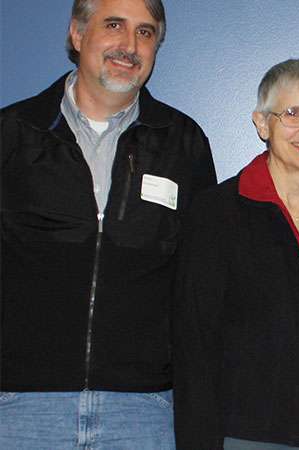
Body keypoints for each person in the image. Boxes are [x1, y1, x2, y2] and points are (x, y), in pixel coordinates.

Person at [0, 0, 216, 448]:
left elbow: (199, 280)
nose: (129, 45)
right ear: (78, 35)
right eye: (113, 25)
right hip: (21, 405)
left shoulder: (183, 142)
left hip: (143, 410)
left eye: (145, 32)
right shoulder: (13, 133)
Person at [172, 59, 299, 450]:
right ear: (262, 123)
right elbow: (192, 343)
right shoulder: (216, 213)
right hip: (246, 435)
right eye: (292, 113)